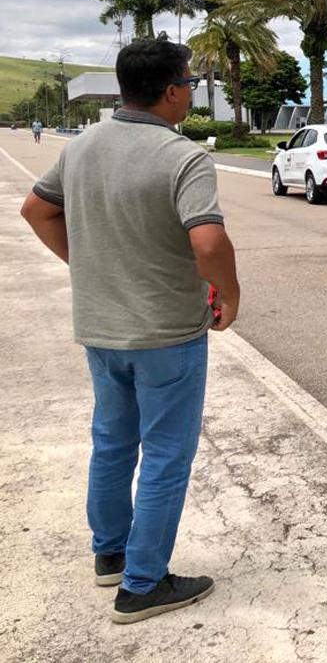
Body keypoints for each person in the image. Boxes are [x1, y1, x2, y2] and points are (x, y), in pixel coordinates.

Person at [20, 37, 239, 624]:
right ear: (172, 91)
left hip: (101, 326)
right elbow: (208, 240)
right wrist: (232, 293)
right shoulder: (182, 156)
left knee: (113, 443)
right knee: (167, 454)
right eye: (191, 82)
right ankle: (142, 585)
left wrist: (88, 266)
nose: (191, 91)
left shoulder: (82, 146)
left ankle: (110, 554)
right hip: (167, 331)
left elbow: (37, 210)